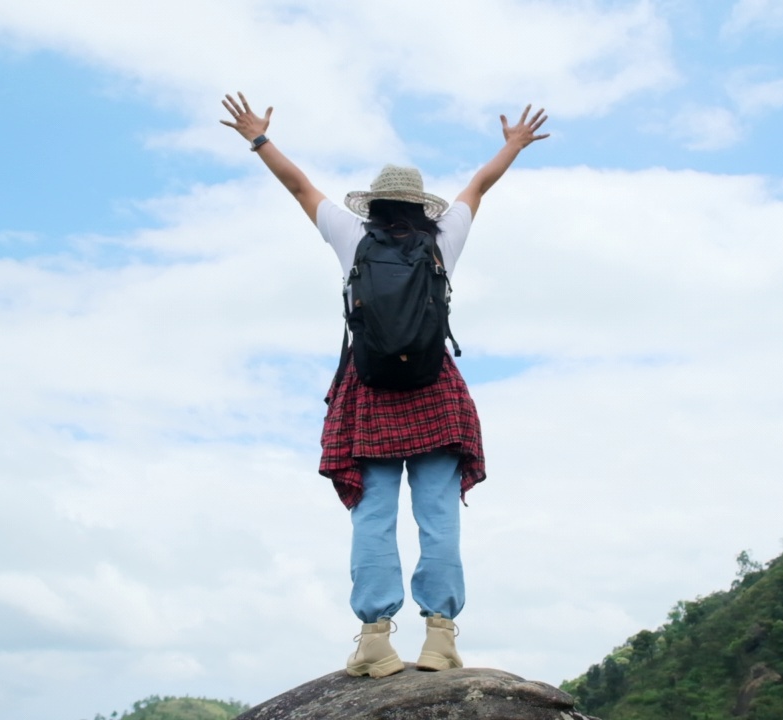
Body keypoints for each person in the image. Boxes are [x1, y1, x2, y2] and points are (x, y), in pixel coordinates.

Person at [220, 91, 548, 678]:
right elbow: (479, 186)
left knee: (373, 518)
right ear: (422, 206)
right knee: (438, 517)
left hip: (368, 393)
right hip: (434, 394)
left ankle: (375, 640)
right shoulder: (444, 238)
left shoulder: (352, 238)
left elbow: (299, 187)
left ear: (373, 205)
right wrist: (513, 146)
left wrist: (260, 138)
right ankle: (440, 639)